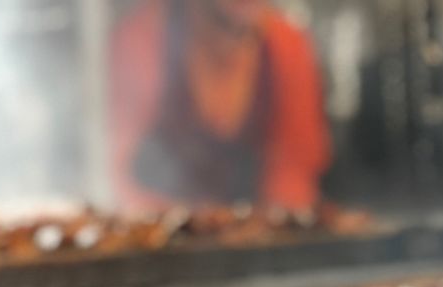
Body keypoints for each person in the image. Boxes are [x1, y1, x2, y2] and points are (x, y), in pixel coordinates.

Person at [110, 0, 332, 213]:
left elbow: (294, 178)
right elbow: (112, 176)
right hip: (159, 240)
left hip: (254, 241)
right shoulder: (143, 38)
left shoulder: (287, 47)